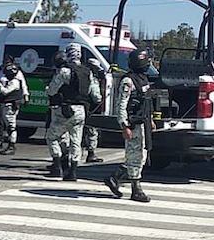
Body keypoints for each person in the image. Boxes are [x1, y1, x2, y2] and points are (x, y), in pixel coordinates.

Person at [45, 43, 100, 181]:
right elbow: (96, 96)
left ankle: (57, 165)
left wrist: (48, 90)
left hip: (64, 109)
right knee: (76, 140)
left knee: (52, 137)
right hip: (81, 110)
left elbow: (52, 90)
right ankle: (73, 172)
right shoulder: (88, 72)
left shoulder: (65, 71)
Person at [105, 49, 154, 203]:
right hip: (133, 124)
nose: (148, 64)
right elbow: (121, 105)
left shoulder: (143, 79)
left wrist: (150, 119)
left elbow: (146, 101)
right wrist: (124, 125)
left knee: (140, 156)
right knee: (136, 157)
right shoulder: (128, 81)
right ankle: (136, 190)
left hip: (143, 123)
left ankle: (114, 177)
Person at [0, 59, 27, 155]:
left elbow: (5, 92)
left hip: (10, 106)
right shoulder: (13, 80)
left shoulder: (14, 82)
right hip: (8, 105)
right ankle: (10, 145)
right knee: (9, 126)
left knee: (11, 127)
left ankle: (11, 146)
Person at [81, 57, 108, 164]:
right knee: (92, 132)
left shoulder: (81, 75)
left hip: (78, 107)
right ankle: (91, 154)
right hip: (90, 109)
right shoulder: (92, 79)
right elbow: (96, 97)